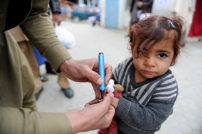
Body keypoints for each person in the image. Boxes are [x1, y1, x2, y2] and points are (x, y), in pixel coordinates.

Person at [0, 0, 115, 133]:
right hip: (11, 38)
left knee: (26, 100)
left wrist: (66, 63)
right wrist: (80, 120)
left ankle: (62, 85)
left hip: (7, 45)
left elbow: (35, 11)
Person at [95, 15, 184, 134]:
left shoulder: (167, 86)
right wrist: (103, 87)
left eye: (161, 55)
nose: (150, 63)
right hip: (113, 125)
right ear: (132, 49)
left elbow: (152, 120)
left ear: (173, 57)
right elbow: (111, 82)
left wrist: (117, 103)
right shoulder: (125, 66)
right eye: (142, 52)